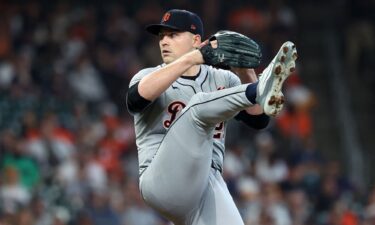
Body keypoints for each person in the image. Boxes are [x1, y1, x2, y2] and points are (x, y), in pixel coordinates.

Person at [126, 9, 297, 225]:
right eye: (162, 36)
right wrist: (194, 57)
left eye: (173, 35)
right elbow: (134, 100)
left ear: (196, 39)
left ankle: (259, 87)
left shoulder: (223, 77)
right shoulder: (150, 76)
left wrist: (245, 70)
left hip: (206, 183)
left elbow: (258, 119)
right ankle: (259, 88)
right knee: (197, 109)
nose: (164, 42)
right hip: (161, 180)